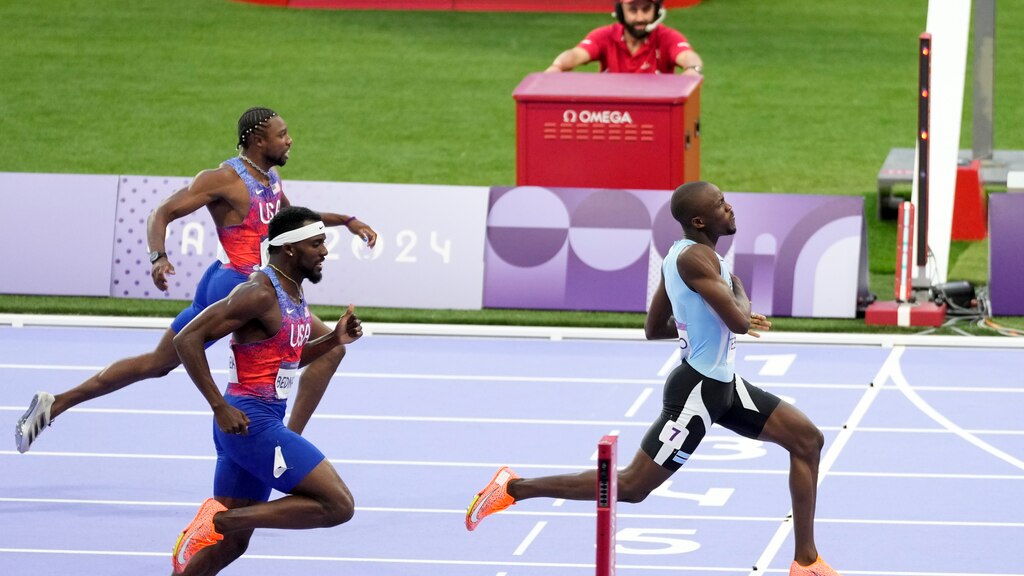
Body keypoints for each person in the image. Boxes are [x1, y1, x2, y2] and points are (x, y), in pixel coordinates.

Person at [465, 181, 842, 576]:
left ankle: (806, 561)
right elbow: (737, 320)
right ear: (699, 220)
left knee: (806, 440)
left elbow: (654, 327)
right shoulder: (696, 260)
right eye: (720, 205)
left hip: (723, 386)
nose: (729, 209)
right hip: (698, 392)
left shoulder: (680, 256)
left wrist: (702, 327)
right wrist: (741, 293)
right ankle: (513, 488)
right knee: (630, 487)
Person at [14, 106, 378, 453]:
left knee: (158, 363)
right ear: (257, 141)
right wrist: (158, 257)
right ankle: (286, 441)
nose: (290, 140)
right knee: (329, 350)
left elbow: (294, 221)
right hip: (236, 287)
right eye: (282, 135)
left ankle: (56, 403)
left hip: (245, 286)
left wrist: (346, 220)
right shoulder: (223, 179)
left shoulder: (270, 177)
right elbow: (162, 212)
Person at [169, 206, 361, 575]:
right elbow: (186, 338)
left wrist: (334, 340)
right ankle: (218, 521)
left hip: (255, 421)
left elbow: (285, 360)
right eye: (317, 243)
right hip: (249, 420)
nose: (325, 251)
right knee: (338, 505)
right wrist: (217, 405)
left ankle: (220, 526)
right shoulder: (258, 292)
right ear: (290, 249)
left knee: (232, 548)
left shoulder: (291, 291)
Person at [545, 0, 703, 75]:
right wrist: (557, 66)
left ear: (657, 10)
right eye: (633, 10)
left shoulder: (667, 38)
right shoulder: (604, 36)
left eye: (646, 9)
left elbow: (688, 56)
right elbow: (576, 54)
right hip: (615, 118)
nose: (640, 18)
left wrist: (692, 70)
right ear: (621, 11)